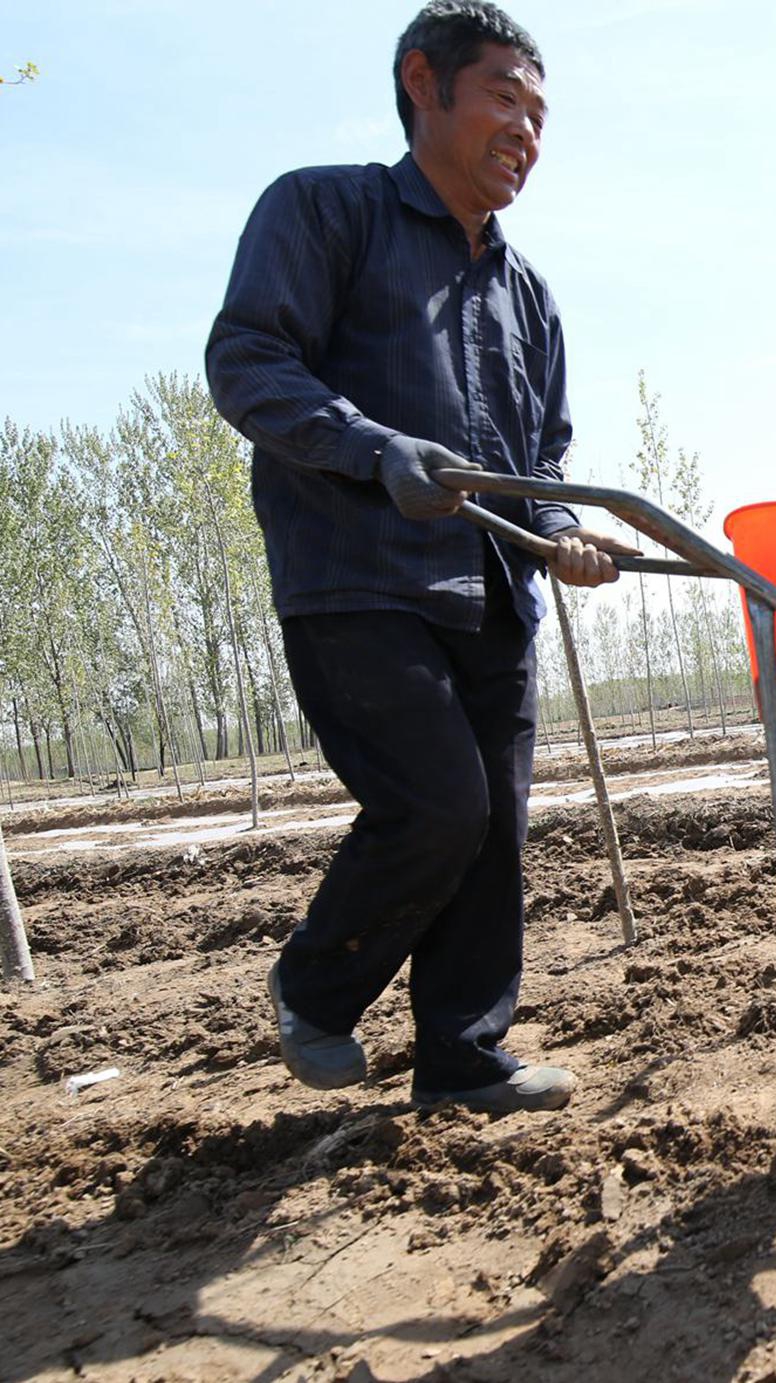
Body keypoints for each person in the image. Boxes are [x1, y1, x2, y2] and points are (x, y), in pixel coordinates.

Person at [206, 1, 633, 1113]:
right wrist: (372, 446)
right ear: (423, 84)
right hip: (360, 581)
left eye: (540, 117)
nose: (526, 133)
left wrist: (564, 539)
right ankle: (315, 983)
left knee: (491, 835)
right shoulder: (324, 210)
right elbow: (249, 362)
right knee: (438, 807)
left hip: (494, 596)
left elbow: (544, 454)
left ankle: (462, 1056)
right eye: (504, 98)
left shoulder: (526, 292)